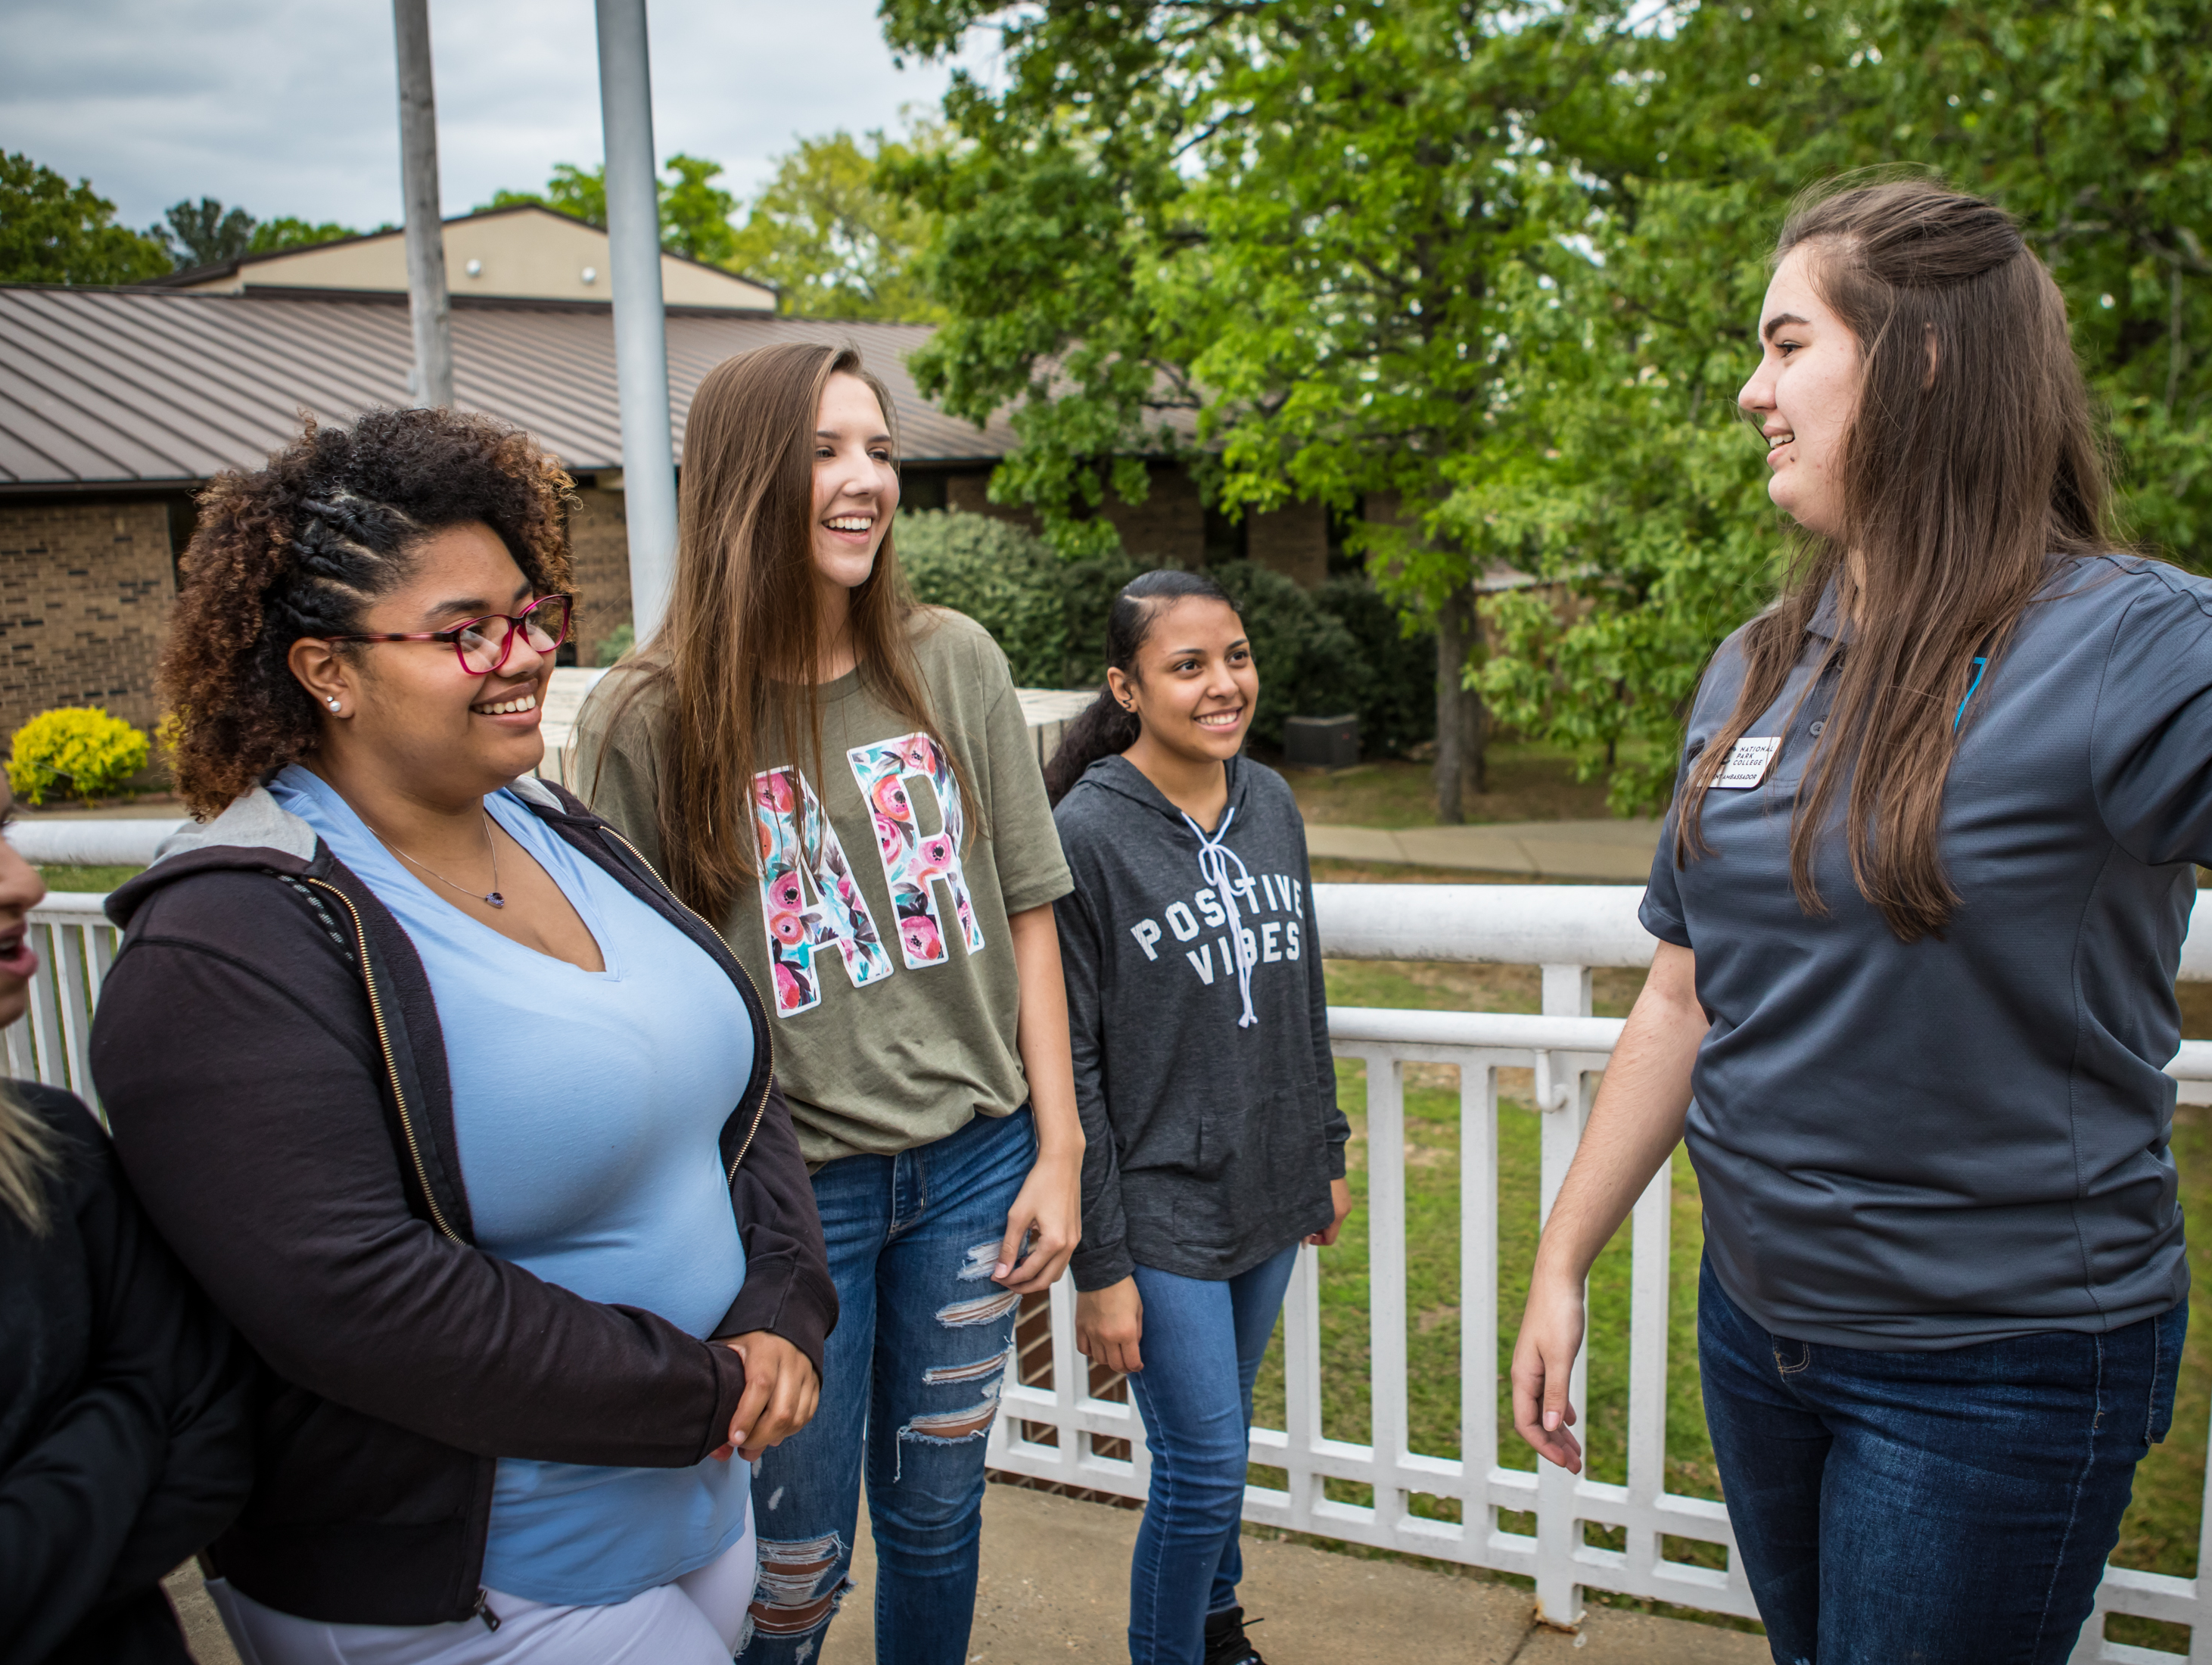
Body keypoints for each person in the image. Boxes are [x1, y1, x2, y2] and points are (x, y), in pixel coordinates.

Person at [1507, 0, 2212, 1660]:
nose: (1750, 387)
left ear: (1930, 357)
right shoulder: (1754, 660)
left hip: (1994, 1373)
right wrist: (1560, 1261)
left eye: (1786, 340)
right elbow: (1688, 987)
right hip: (1763, 1333)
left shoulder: (2121, 642)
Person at [88, 407, 834, 1664]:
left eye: (530, 613)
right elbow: (357, 1300)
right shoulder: (229, 939)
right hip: (467, 1593)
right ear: (329, 670)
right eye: (464, 632)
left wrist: (779, 1312)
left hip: (697, 1514)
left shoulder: (549, 817)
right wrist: (707, 1392)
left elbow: (735, 1094)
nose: (524, 655)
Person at [575, 342, 1084, 1665]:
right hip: (791, 1211)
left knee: (940, 1517)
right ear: (748, 478)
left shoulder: (952, 662)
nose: (866, 482)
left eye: (879, 450)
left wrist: (1061, 1150)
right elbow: (634, 1012)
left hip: (978, 1172)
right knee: (789, 1569)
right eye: (826, 451)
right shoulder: (652, 716)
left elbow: (1031, 912)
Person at [1042, 571, 1352, 1665]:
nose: (1225, 685)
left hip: (1269, 1186)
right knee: (1207, 1467)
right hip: (1158, 1207)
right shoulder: (1084, 835)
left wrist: (1327, 1148)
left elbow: (1300, 988)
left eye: (1237, 657)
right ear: (1126, 686)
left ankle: (1219, 1634)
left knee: (1213, 1451)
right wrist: (1101, 1264)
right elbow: (1070, 1063)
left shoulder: (1267, 800)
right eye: (1188, 666)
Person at [0, 711, 251, 1665]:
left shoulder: (49, 1152)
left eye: (2, 828)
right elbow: (166, 1405)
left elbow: (211, 1435)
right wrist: (125, 1418)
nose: (24, 883)